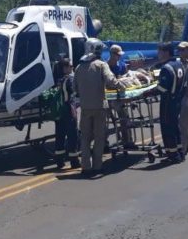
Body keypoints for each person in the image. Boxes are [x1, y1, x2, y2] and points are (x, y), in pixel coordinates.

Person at [74, 40, 122, 176]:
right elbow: (111, 81)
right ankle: (97, 166)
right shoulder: (101, 65)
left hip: (85, 108)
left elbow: (75, 88)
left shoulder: (79, 67)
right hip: (100, 107)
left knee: (85, 138)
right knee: (99, 137)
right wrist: (120, 85)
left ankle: (86, 167)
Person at [154, 42, 185, 163]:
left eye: (160, 51)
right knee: (175, 126)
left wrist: (148, 92)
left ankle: (173, 155)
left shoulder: (166, 68)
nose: (158, 54)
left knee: (168, 128)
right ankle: (180, 152)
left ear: (166, 52)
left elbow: (162, 88)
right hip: (177, 99)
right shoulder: (179, 64)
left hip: (167, 101)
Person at [52, 58, 80, 169]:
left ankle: (59, 161)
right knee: (73, 136)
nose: (72, 67)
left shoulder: (57, 80)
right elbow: (74, 94)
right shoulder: (70, 79)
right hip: (69, 110)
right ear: (65, 68)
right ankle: (74, 161)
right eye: (70, 66)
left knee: (60, 135)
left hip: (59, 111)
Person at [107, 44, 133, 148]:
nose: (119, 57)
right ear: (112, 54)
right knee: (106, 120)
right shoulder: (106, 67)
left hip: (121, 96)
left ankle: (127, 140)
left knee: (124, 117)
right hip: (109, 96)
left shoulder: (122, 65)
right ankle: (104, 143)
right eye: (118, 55)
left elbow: (127, 77)